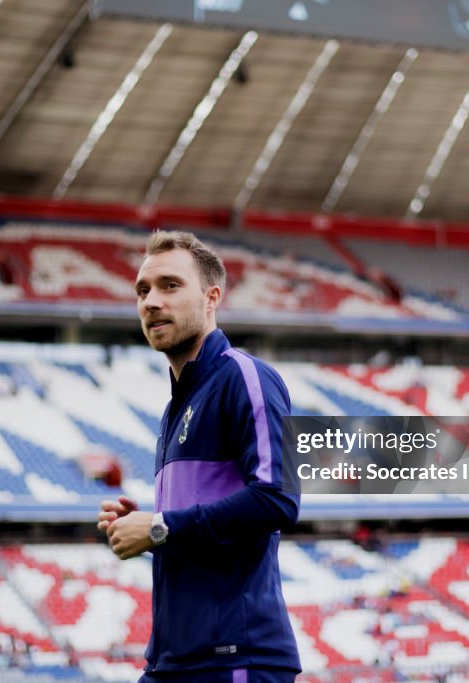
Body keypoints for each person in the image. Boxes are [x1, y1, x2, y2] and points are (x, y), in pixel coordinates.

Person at [97, 230, 301, 682]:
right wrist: (147, 521)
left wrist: (159, 526)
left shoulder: (246, 376)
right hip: (173, 660)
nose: (151, 301)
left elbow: (279, 500)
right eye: (143, 290)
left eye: (170, 286)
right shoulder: (173, 411)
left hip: (235, 658)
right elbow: (196, 529)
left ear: (212, 297)